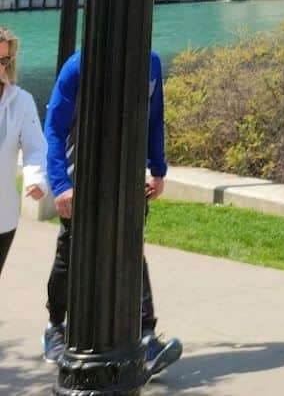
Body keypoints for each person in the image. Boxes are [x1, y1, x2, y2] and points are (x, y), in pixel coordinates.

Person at [43, 50, 180, 377]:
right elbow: (55, 128)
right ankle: (55, 328)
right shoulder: (78, 66)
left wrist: (157, 168)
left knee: (132, 251)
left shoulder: (151, 63)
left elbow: (154, 117)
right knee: (70, 251)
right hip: (81, 179)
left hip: (127, 179)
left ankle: (146, 336)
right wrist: (61, 184)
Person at [0, 26, 47, 277]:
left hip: (2, 216)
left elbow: (35, 147)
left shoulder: (21, 101)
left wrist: (37, 179)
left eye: (3, 60)